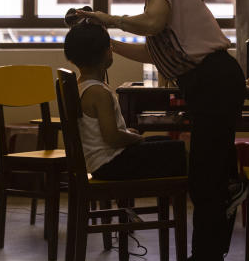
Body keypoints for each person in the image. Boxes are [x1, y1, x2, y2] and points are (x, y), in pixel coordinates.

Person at [77, 0, 246, 261]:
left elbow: (152, 25)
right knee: (208, 178)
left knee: (204, 181)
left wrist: (109, 18)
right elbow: (155, 50)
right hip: (211, 83)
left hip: (215, 81)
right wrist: (109, 44)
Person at [63, 19, 186, 181]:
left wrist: (127, 133)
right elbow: (112, 137)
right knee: (176, 149)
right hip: (111, 163)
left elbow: (102, 134)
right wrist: (136, 137)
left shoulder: (80, 86)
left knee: (163, 141)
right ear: (107, 52)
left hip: (100, 163)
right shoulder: (99, 93)